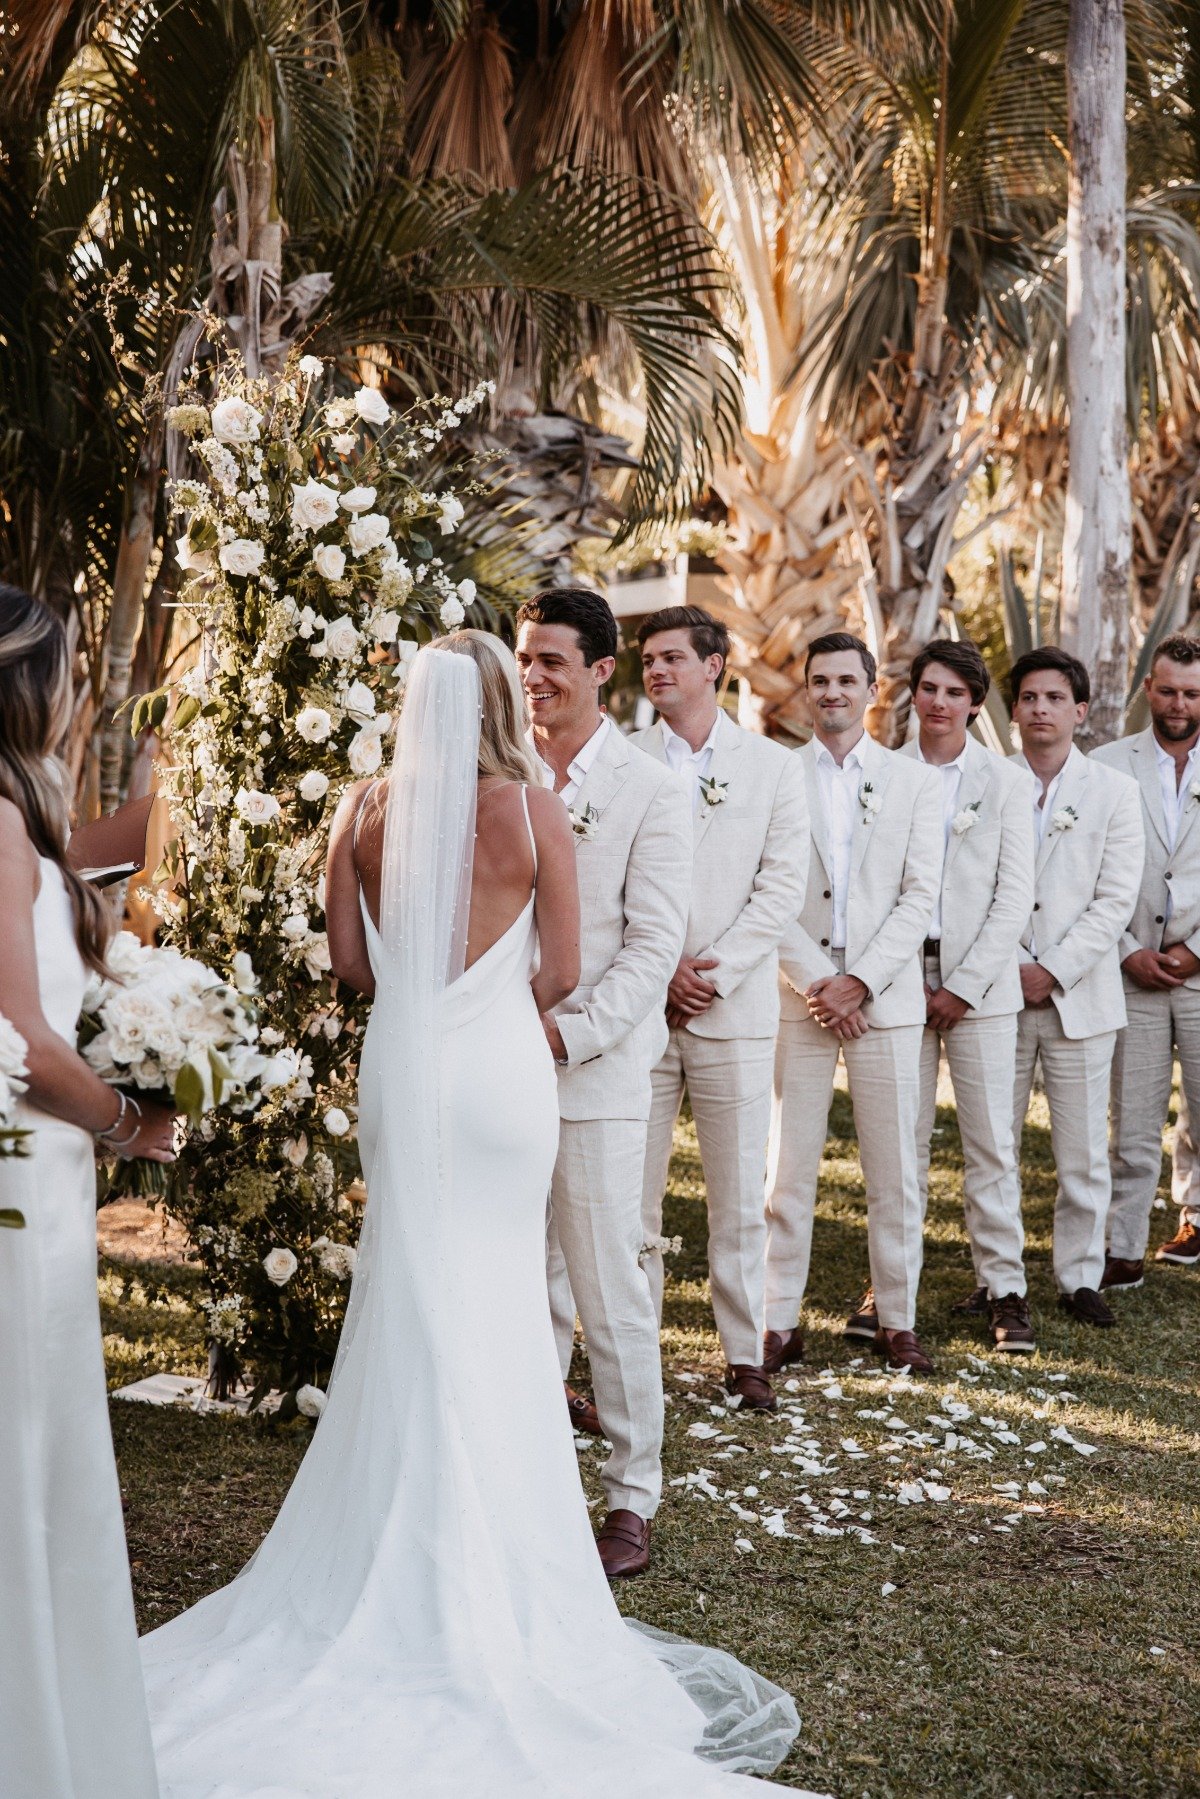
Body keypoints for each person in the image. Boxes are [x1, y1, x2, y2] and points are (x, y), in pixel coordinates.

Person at [140, 631, 807, 1799]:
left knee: (409, 1284)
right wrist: (485, 983)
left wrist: (420, 980)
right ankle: (510, 1548)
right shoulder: (535, 807)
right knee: (501, 1298)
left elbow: (349, 965)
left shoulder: (361, 809)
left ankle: (400, 1527)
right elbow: (556, 968)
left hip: (405, 1068)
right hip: (501, 1075)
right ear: (504, 698)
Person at [0, 585, 173, 1799]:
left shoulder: (25, 815)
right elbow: (23, 1040)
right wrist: (128, 1125)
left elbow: (109, 850)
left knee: (43, 1448)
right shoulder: (0, 823)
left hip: (44, 1186)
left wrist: (164, 772)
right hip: (28, 1170)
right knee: (22, 1452)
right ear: (32, 685)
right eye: (68, 675)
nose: (80, 698)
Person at [517, 588, 692, 1579]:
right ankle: (537, 1472)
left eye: (552, 660)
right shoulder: (499, 773)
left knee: (606, 1283)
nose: (534, 675)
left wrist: (566, 1036)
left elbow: (655, 943)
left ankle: (632, 1491)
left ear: (600, 672)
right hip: (497, 1070)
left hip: (593, 1072)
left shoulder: (650, 788)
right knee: (518, 1280)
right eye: (524, 658)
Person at [632, 605, 808, 1411]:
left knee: (738, 1194)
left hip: (733, 1009)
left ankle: (746, 1353)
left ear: (716, 666)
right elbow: (606, 885)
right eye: (648, 659)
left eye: (672, 657)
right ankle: (632, 1349)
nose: (656, 670)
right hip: (640, 1008)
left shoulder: (773, 768)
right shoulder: (624, 761)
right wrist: (660, 970)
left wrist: (715, 970)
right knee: (632, 1194)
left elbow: (780, 888)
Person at [765, 632, 942, 1374]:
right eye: (819, 680)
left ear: (873, 691)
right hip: (798, 998)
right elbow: (766, 893)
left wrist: (860, 980)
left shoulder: (917, 782)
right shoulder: (775, 775)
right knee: (787, 1164)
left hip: (885, 1000)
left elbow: (920, 896)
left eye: (846, 680)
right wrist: (817, 981)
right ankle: (776, 1321)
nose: (832, 692)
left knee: (894, 1165)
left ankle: (897, 1319)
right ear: (806, 691)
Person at [899, 639, 1036, 1352]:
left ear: (975, 703)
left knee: (990, 1141)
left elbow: (1014, 896)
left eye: (954, 692)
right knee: (901, 1141)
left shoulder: (1005, 781)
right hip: (895, 978)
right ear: (912, 694)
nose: (939, 702)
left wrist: (962, 985)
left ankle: (1005, 1288)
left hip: (979, 986)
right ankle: (893, 1286)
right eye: (929, 688)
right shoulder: (884, 773)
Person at [1010, 647, 1143, 1327]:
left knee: (1084, 1149)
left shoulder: (1115, 792)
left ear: (1080, 711)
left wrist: (1052, 968)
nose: (1041, 709)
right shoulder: (990, 783)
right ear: (1012, 710)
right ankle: (996, 1276)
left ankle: (1081, 1273)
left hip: (1079, 995)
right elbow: (966, 892)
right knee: (992, 1142)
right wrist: (1009, 970)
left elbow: (1115, 900)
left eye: (1055, 698)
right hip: (997, 995)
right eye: (1029, 697)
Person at [1091, 635, 1200, 1287]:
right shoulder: (1106, 765)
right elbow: (1077, 874)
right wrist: (1126, 949)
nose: (1180, 703)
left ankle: (1197, 1215)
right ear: (1146, 689)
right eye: (1168, 691)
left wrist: (1195, 951)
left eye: (1192, 693)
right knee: (1131, 1113)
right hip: (1128, 966)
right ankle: (1122, 1244)